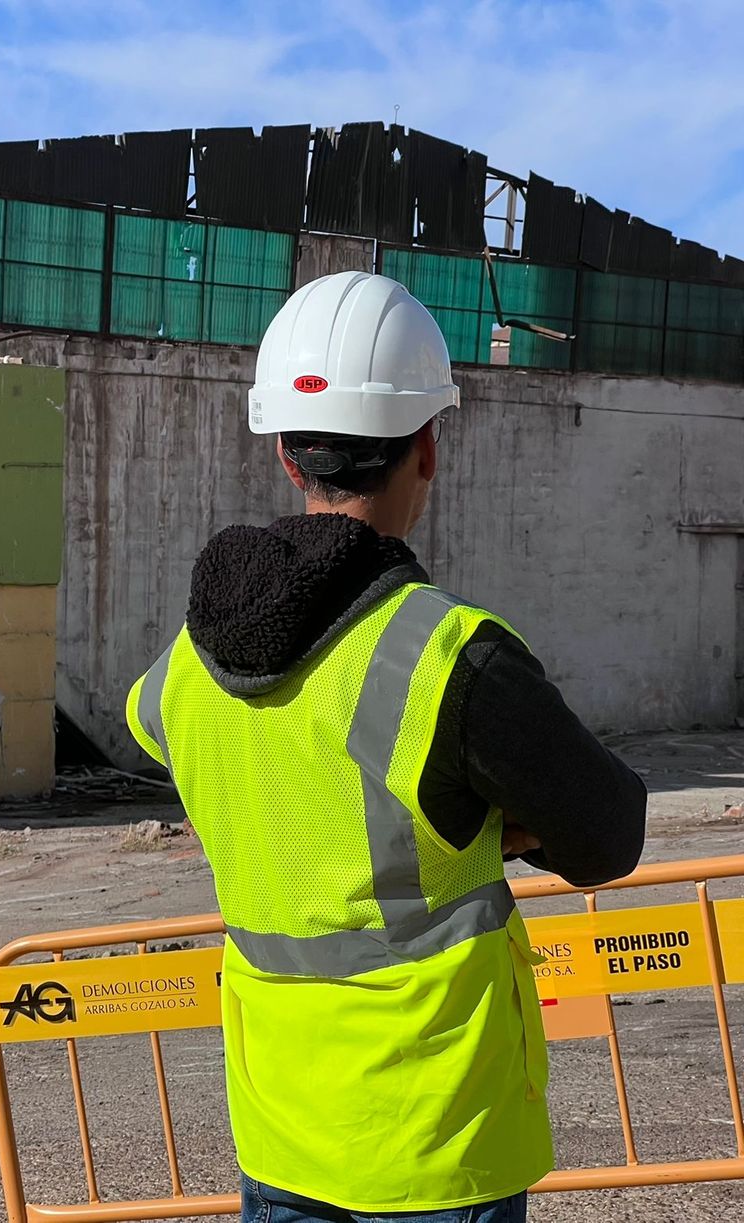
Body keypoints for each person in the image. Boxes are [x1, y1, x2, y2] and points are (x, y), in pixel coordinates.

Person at [125, 271, 646, 1223]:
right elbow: (609, 832)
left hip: (281, 1138)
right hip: (438, 1147)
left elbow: (189, 737)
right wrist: (490, 821)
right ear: (429, 450)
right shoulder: (451, 659)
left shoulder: (184, 671)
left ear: (286, 455)